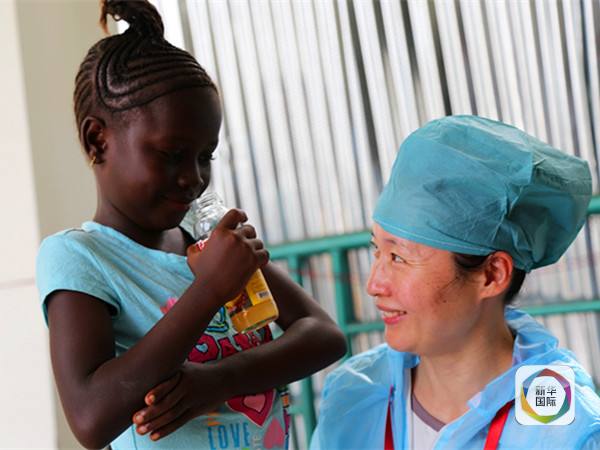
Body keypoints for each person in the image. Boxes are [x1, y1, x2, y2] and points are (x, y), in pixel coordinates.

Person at [35, 1, 346, 449]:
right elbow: (90, 417)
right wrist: (210, 290)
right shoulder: (79, 257)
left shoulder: (206, 240)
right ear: (97, 139)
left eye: (205, 156)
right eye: (171, 155)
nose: (193, 178)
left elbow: (324, 335)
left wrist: (219, 381)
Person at [310, 115, 600, 449]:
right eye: (377, 251)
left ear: (492, 275)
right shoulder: (354, 397)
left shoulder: (565, 433)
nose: (374, 285)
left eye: (399, 257)